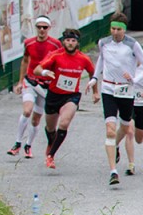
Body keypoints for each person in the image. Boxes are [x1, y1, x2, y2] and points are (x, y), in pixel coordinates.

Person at [93, 13, 143, 184]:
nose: (115, 32)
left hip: (125, 90)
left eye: (119, 29)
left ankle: (115, 145)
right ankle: (113, 171)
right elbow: (100, 63)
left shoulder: (132, 45)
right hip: (108, 88)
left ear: (124, 29)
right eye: (113, 28)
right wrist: (94, 79)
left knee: (126, 128)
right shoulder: (103, 43)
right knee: (110, 129)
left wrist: (135, 80)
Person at [35, 29, 98, 169]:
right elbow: (36, 70)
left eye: (73, 41)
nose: (70, 43)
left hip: (71, 96)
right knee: (51, 128)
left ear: (77, 43)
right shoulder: (55, 55)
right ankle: (51, 142)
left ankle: (51, 156)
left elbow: (93, 74)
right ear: (63, 42)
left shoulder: (83, 58)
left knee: (64, 123)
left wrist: (95, 91)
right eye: (68, 40)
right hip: (53, 95)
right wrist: (45, 72)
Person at [8, 16, 62, 158]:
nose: (42, 30)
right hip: (30, 81)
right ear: (36, 28)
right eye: (39, 27)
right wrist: (20, 82)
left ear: (49, 28)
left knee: (36, 119)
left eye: (45, 27)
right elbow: (25, 61)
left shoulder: (56, 44)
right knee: (27, 111)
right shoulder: (29, 43)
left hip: (45, 86)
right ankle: (17, 143)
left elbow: (60, 62)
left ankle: (28, 145)